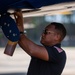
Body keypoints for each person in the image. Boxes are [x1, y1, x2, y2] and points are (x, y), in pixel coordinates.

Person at [14, 10, 67, 75]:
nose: (42, 34)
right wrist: (18, 22)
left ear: (57, 37)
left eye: (46, 32)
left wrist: (19, 32)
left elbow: (31, 49)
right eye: (43, 31)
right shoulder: (45, 51)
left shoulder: (58, 52)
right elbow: (24, 43)